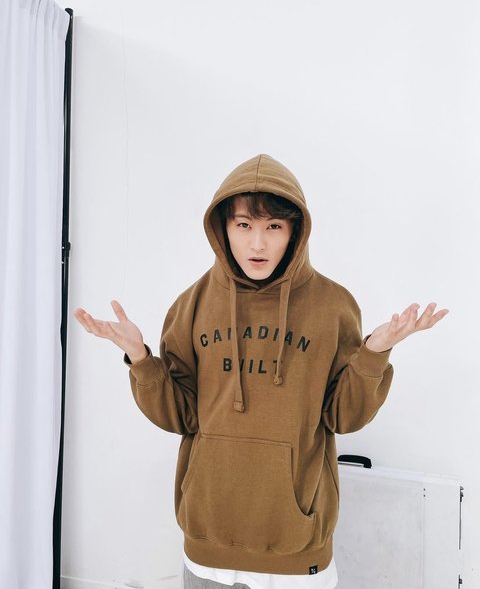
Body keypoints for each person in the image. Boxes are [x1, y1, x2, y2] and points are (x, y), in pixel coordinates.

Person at [74, 153, 449, 589]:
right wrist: (140, 358)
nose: (257, 244)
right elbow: (180, 416)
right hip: (209, 545)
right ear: (223, 228)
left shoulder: (333, 306)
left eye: (273, 227)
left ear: (295, 231)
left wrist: (374, 353)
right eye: (243, 225)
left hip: (297, 552)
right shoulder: (191, 305)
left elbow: (343, 417)